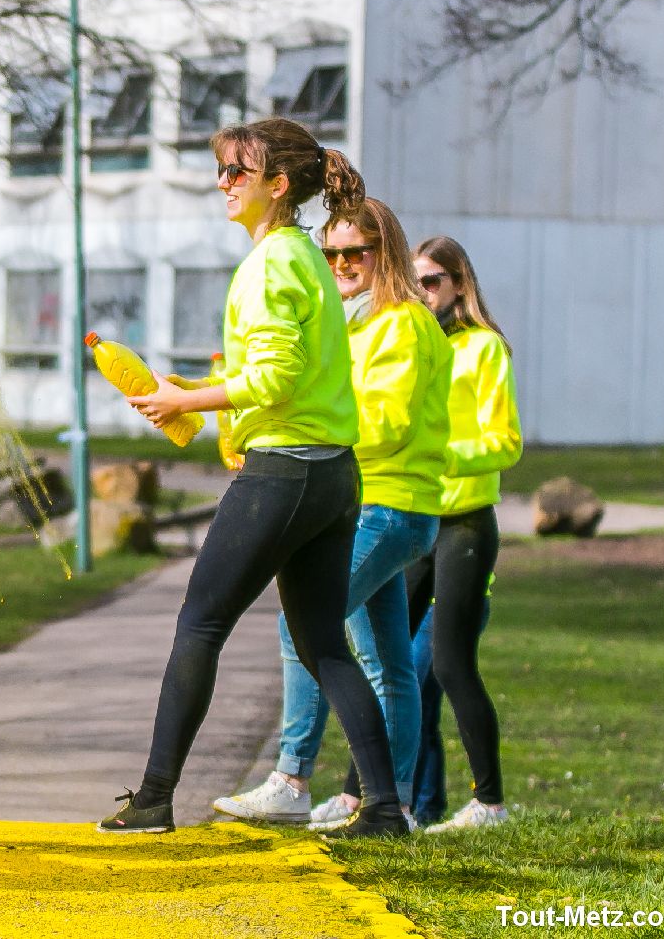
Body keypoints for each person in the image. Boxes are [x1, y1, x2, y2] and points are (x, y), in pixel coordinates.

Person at [97, 117, 408, 838]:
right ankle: (385, 810)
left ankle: (153, 800)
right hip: (331, 475)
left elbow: (274, 377)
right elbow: (284, 374)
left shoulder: (271, 263)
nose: (223, 183)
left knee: (200, 622)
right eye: (220, 170)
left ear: (278, 184)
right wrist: (199, 393)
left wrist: (184, 403)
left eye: (237, 171)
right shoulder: (303, 256)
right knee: (322, 643)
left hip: (285, 473)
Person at [212, 197, 451, 831]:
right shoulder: (357, 323)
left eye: (355, 253)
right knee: (387, 665)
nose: (341, 264)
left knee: (303, 626)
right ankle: (388, 804)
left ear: (385, 253)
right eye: (331, 253)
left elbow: (390, 423)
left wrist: (316, 438)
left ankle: (292, 779)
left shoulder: (402, 324)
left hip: (388, 505)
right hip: (373, 504)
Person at [328, 235, 519, 831]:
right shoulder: (411, 337)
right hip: (418, 517)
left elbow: (506, 442)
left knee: (451, 664)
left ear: (460, 284)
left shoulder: (484, 348)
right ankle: (365, 797)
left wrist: (440, 456)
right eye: (416, 281)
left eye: (433, 280)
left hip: (464, 525)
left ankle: (490, 803)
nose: (424, 291)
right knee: (391, 664)